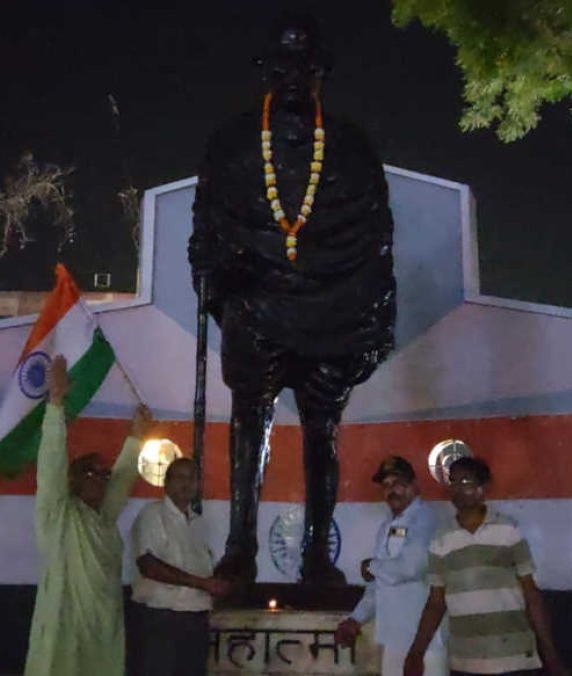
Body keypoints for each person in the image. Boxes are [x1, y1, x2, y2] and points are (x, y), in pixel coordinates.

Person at [189, 11, 396, 585]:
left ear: (321, 73)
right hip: (257, 306)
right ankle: (239, 548)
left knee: (322, 430)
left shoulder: (351, 147)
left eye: (305, 68)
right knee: (248, 423)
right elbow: (206, 227)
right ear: (267, 72)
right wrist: (214, 274)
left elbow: (377, 237)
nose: (293, 79)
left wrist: (373, 315)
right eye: (282, 68)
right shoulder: (231, 143)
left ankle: (316, 557)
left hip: (334, 308)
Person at [23, 355, 150, 676]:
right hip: (62, 633)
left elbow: (122, 480)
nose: (103, 480)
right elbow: (51, 462)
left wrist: (137, 436)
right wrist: (56, 403)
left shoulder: (103, 520)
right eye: (94, 473)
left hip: (101, 634)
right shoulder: (59, 515)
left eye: (104, 475)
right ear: (75, 479)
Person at [404, 457, 570, 676]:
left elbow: (531, 594)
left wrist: (550, 654)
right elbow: (436, 603)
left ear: (483, 488)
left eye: (466, 482)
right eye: (453, 482)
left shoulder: (508, 530)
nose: (458, 489)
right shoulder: (440, 539)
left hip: (514, 659)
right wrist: (416, 652)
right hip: (466, 662)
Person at [335, 456, 448, 676]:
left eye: (398, 483)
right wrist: (356, 619)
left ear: (414, 485)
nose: (391, 490)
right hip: (394, 640)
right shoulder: (388, 527)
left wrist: (371, 566)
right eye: (386, 485)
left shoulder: (426, 519)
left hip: (426, 644)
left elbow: (412, 567)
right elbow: (379, 584)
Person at [129, 457, 232, 676]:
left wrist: (217, 585)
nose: (186, 483)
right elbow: (148, 566)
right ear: (166, 483)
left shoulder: (199, 523)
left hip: (196, 618)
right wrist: (200, 583)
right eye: (180, 477)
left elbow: (206, 569)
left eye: (192, 478)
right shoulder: (153, 514)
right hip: (161, 618)